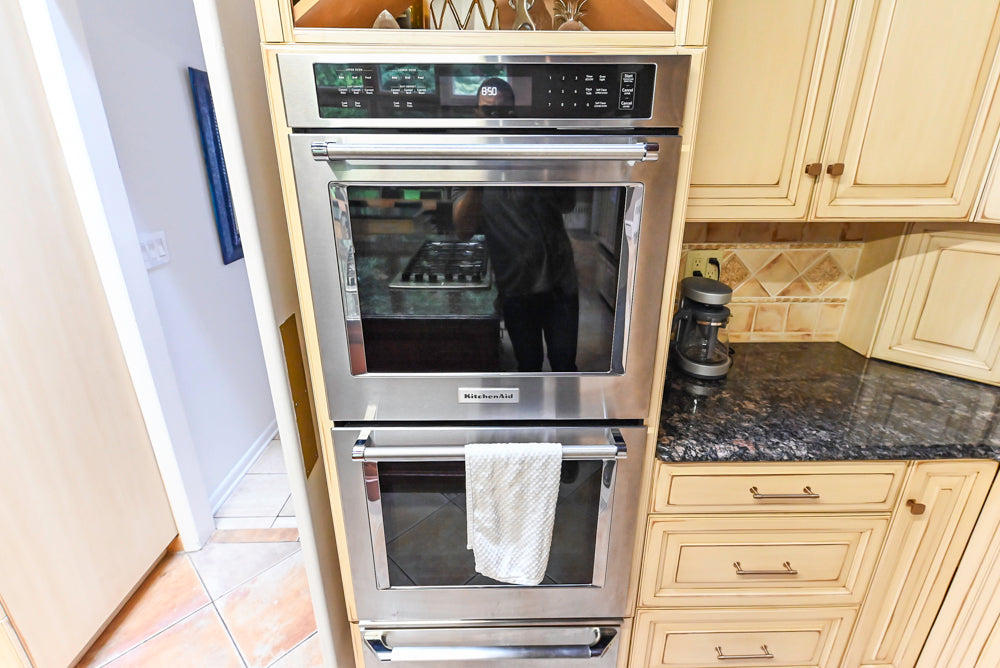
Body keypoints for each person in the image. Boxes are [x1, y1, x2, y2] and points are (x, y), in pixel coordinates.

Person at [452, 79, 579, 372]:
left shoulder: (534, 147)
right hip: (515, 287)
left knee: (565, 364)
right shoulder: (467, 158)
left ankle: (569, 419)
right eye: (488, 112)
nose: (496, 119)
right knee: (528, 366)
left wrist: (540, 160)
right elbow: (463, 229)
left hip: (561, 281)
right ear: (476, 114)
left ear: (515, 114)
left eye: (504, 112)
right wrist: (483, 172)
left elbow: (567, 203)